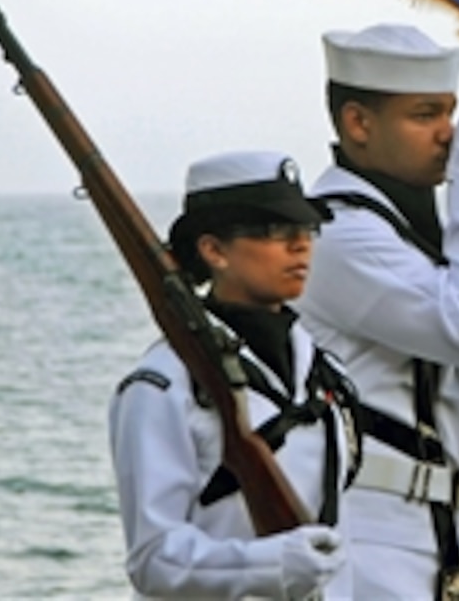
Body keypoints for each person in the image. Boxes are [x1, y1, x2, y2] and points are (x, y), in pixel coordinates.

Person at [295, 24, 459, 599]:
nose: (449, 134)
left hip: (442, 537)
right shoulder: (336, 234)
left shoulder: (411, 231)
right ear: (358, 124)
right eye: (425, 115)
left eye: (450, 112)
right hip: (368, 535)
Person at [109, 150, 358, 600]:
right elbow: (153, 558)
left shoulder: (326, 373)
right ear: (213, 250)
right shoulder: (163, 385)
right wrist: (269, 566)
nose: (300, 244)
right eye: (272, 231)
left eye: (306, 229)